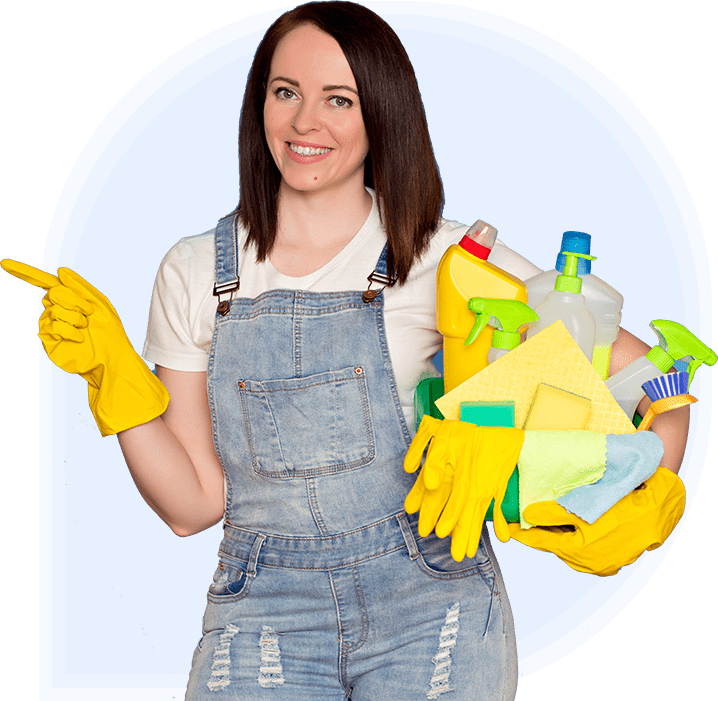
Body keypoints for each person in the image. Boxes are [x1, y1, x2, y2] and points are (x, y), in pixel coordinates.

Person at [11, 2, 688, 699]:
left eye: (339, 99)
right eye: (286, 92)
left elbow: (650, 374)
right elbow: (193, 505)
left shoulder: (446, 258)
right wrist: (115, 380)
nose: (305, 122)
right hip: (262, 609)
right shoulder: (195, 271)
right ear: (260, 104)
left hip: (431, 599)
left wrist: (647, 476)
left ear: (382, 116)